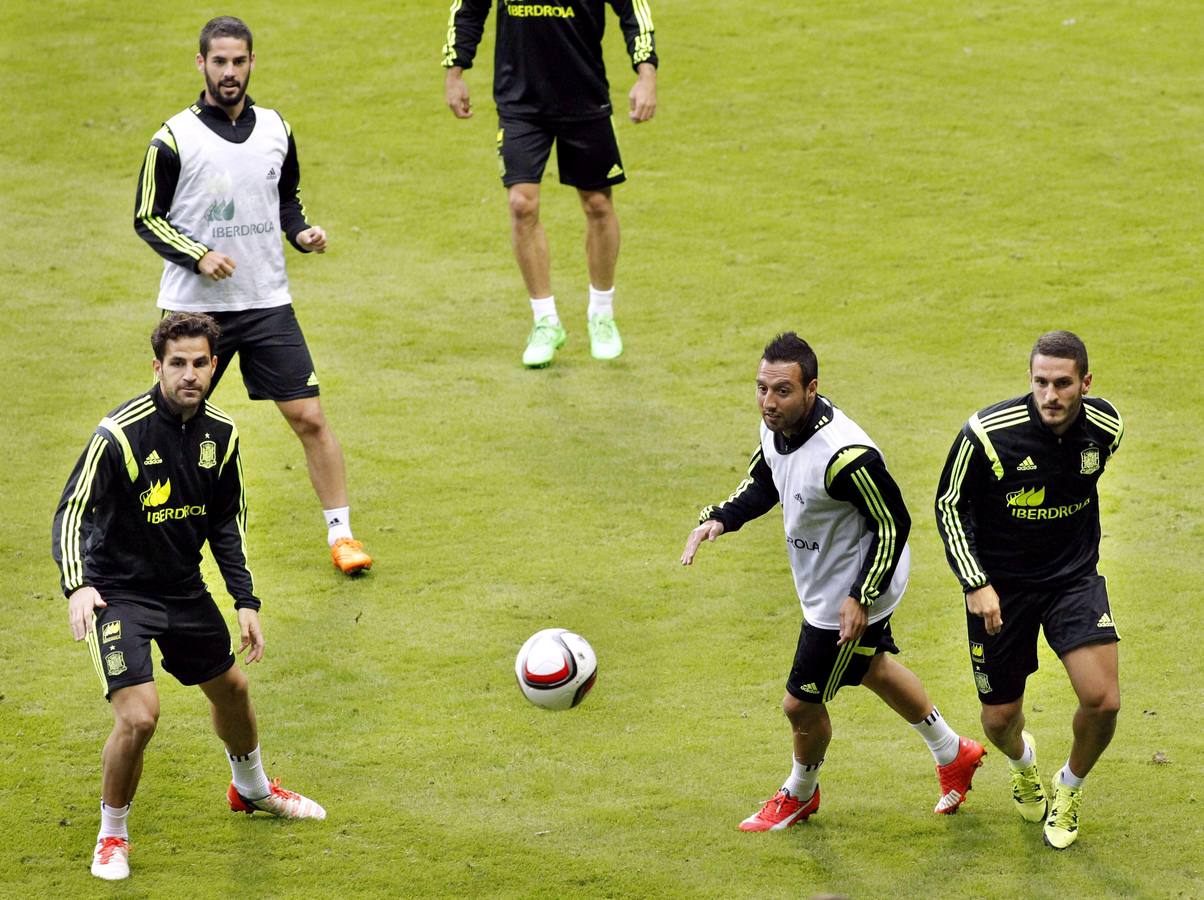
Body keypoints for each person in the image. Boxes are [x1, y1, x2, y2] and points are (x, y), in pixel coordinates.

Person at [51, 313, 326, 881]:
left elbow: (228, 523)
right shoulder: (119, 434)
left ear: (214, 366)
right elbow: (72, 510)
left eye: (200, 363)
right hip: (120, 594)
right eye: (177, 363)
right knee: (140, 718)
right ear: (158, 367)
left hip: (182, 589)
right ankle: (112, 834)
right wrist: (79, 585)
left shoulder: (222, 434)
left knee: (232, 689)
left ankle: (249, 789)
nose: (189, 374)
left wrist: (244, 600)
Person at [682, 332, 986, 831]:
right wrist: (723, 518)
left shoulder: (845, 456)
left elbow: (894, 523)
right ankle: (953, 752)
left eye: (782, 391)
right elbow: (766, 480)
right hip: (829, 580)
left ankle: (800, 793)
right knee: (870, 668)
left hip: (855, 587)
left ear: (811, 388)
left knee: (800, 703)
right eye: (761, 388)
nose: (768, 402)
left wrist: (859, 597)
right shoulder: (775, 428)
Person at [134, 16, 371, 574]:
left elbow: (285, 197)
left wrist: (301, 233)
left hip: (267, 301)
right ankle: (146, 536)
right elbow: (147, 216)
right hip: (196, 310)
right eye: (219, 61)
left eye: (239, 61)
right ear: (201, 64)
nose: (229, 72)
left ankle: (342, 536)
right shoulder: (172, 138)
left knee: (309, 416)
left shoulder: (276, 128)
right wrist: (198, 255)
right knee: (169, 422)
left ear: (251, 62)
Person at [934, 330, 1123, 850]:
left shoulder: (1106, 426)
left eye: (1063, 383)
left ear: (1085, 382)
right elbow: (948, 505)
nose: (1050, 395)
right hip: (1001, 590)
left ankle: (1069, 787)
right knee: (998, 720)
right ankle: (1023, 764)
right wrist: (976, 582)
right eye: (1040, 382)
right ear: (1030, 380)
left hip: (1072, 580)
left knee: (1103, 702)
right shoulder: (987, 434)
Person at [442, 0, 658, 367]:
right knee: (521, 204)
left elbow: (633, 10)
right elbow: (468, 8)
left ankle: (601, 313)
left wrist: (646, 75)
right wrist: (454, 71)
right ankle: (545, 320)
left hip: (584, 97)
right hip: (520, 100)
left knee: (598, 204)